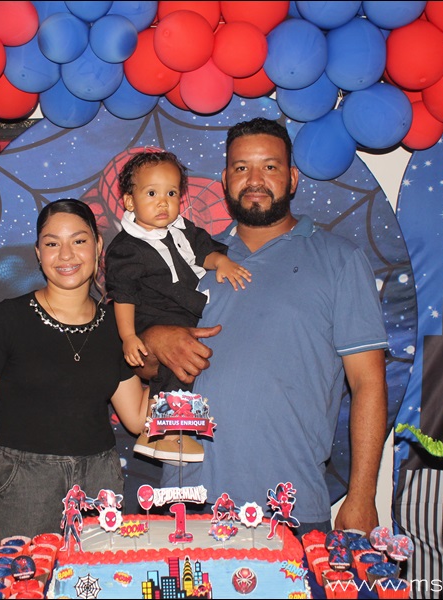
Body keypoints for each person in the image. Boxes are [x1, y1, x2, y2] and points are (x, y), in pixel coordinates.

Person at [139, 118, 389, 535]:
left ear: (292, 178)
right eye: (241, 168)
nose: (254, 180)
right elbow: (145, 369)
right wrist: (153, 338)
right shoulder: (187, 262)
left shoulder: (339, 260)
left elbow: (368, 384)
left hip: (289, 506)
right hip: (188, 504)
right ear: (224, 180)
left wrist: (362, 496)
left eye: (269, 167)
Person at [0, 199, 149, 552]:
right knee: (28, 581)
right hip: (25, 487)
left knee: (101, 582)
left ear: (98, 246)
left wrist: (169, 352)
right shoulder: (5, 321)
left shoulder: (116, 329)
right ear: (38, 252)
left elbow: (137, 418)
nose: (66, 255)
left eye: (79, 241)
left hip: (100, 485)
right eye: (52, 243)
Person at [105, 150, 250, 463]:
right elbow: (123, 295)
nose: (163, 202)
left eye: (171, 194)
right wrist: (129, 336)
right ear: (129, 201)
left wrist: (220, 262)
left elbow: (204, 252)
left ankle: (160, 435)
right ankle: (167, 436)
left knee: (183, 369)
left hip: (184, 314)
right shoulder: (127, 248)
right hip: (150, 317)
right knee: (177, 369)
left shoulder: (184, 230)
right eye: (152, 193)